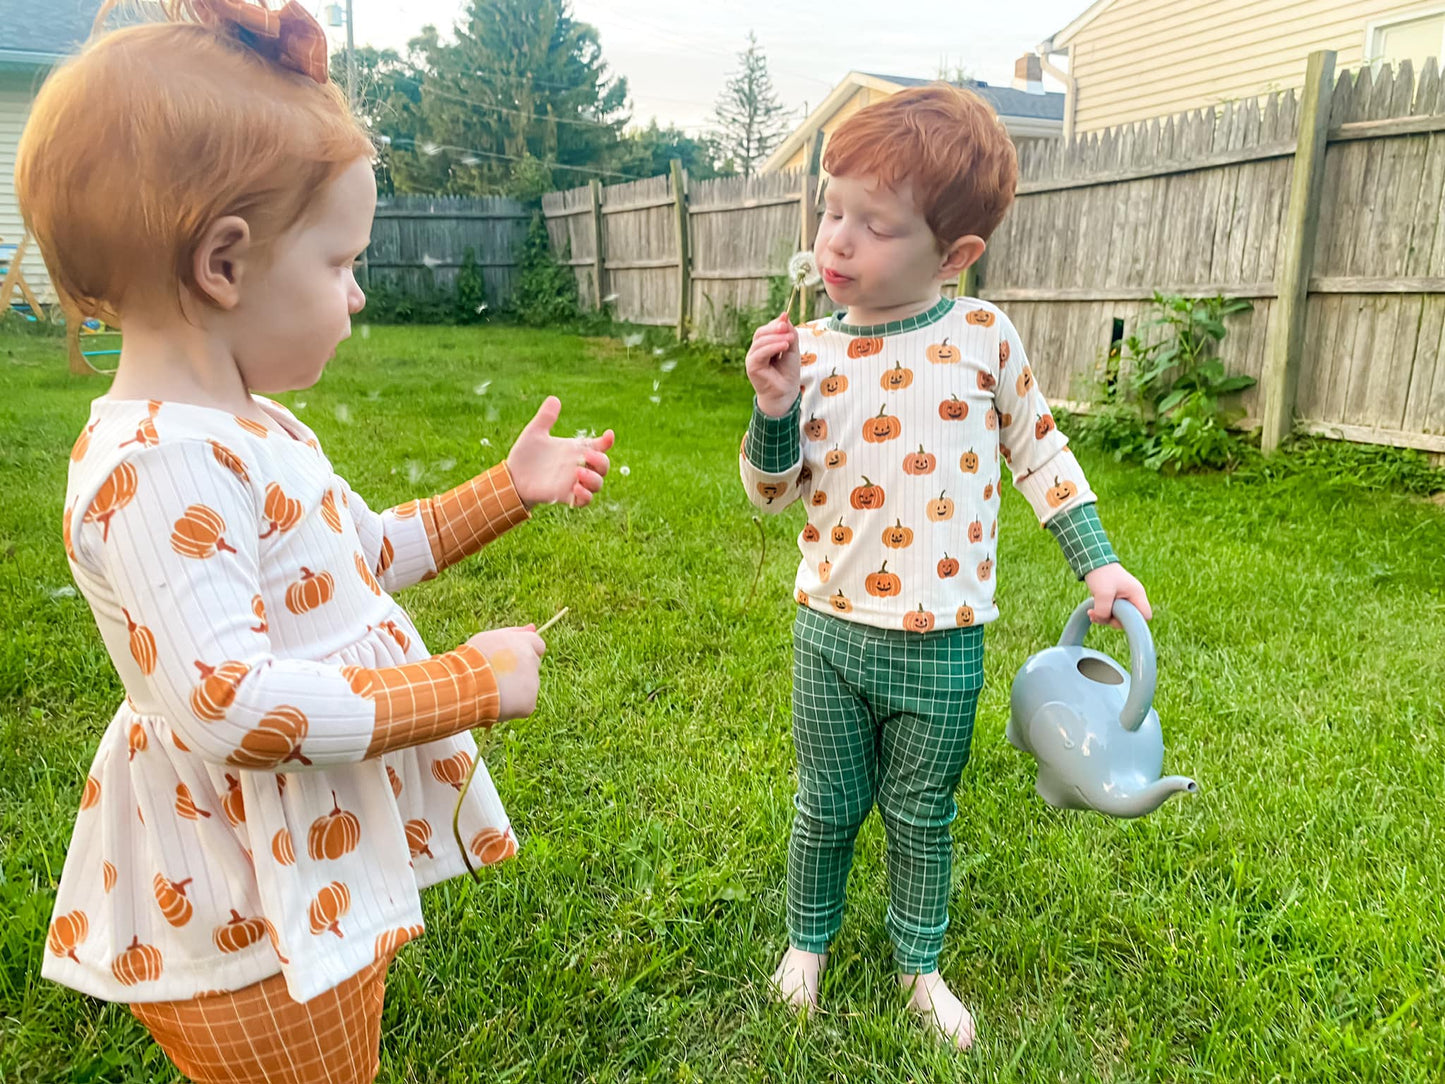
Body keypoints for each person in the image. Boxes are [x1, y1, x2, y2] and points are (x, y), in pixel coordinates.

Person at [21, 3, 613, 1080]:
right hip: (242, 883)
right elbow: (230, 702)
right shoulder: (157, 466)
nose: (358, 289)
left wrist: (505, 490)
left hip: (302, 849)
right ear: (224, 265)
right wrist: (465, 684)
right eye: (341, 260)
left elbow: (357, 558)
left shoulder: (242, 425)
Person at [738, 83, 1152, 1050]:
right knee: (824, 805)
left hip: (941, 647)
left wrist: (1097, 563)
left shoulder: (981, 338)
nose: (836, 241)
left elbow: (1041, 453)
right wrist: (771, 409)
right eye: (830, 210)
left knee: (922, 816)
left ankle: (919, 966)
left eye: (873, 226)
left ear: (954, 254)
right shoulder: (811, 352)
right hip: (830, 633)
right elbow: (770, 493)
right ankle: (807, 946)